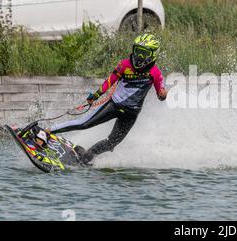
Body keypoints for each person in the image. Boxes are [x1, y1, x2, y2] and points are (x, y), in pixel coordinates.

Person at [49, 33, 167, 164]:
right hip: (114, 106)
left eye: (143, 53)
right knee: (84, 124)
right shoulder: (124, 65)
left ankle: (86, 157)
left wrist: (163, 94)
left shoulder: (156, 73)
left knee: (111, 144)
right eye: (137, 51)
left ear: (152, 55)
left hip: (131, 114)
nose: (139, 56)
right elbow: (109, 82)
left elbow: (160, 93)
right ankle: (48, 131)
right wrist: (95, 96)